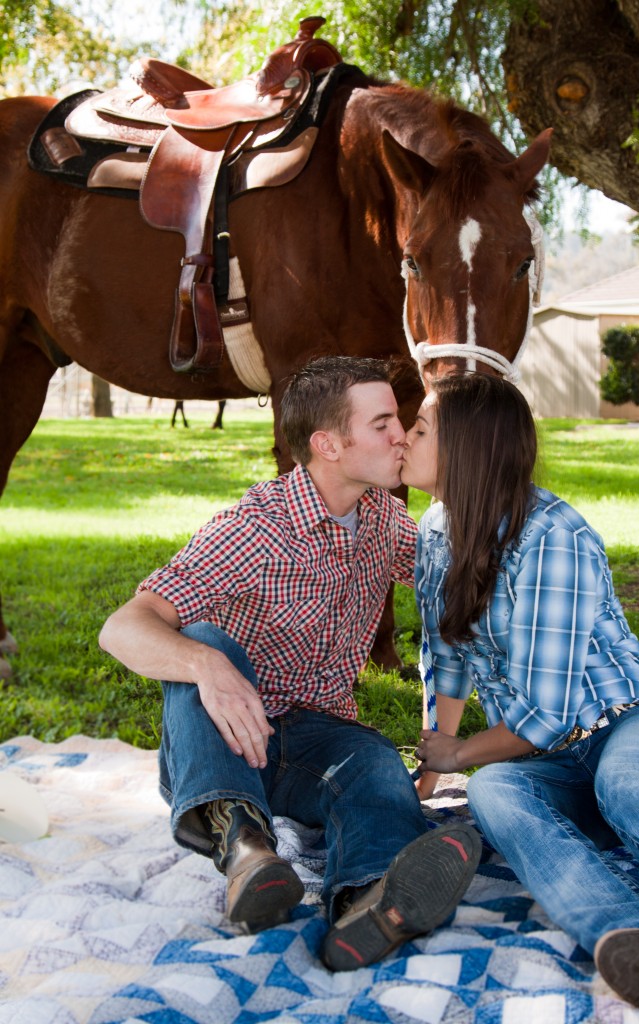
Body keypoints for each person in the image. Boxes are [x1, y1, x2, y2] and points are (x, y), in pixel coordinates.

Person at [99, 355, 480, 972]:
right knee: (205, 644)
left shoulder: (382, 515)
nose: (401, 435)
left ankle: (370, 900)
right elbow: (122, 628)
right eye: (382, 423)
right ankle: (246, 851)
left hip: (315, 743)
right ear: (328, 444)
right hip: (221, 741)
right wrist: (209, 667)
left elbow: (460, 587)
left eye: (402, 421)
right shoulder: (256, 528)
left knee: (377, 761)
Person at [402, 372, 639, 1011]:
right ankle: (633, 931)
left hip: (629, 719)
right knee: (495, 792)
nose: (405, 439)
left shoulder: (555, 534)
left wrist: (461, 752)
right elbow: (445, 656)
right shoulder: (435, 529)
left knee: (629, 786)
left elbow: (548, 715)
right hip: (546, 755)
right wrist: (435, 757)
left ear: (467, 448)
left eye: (420, 428)